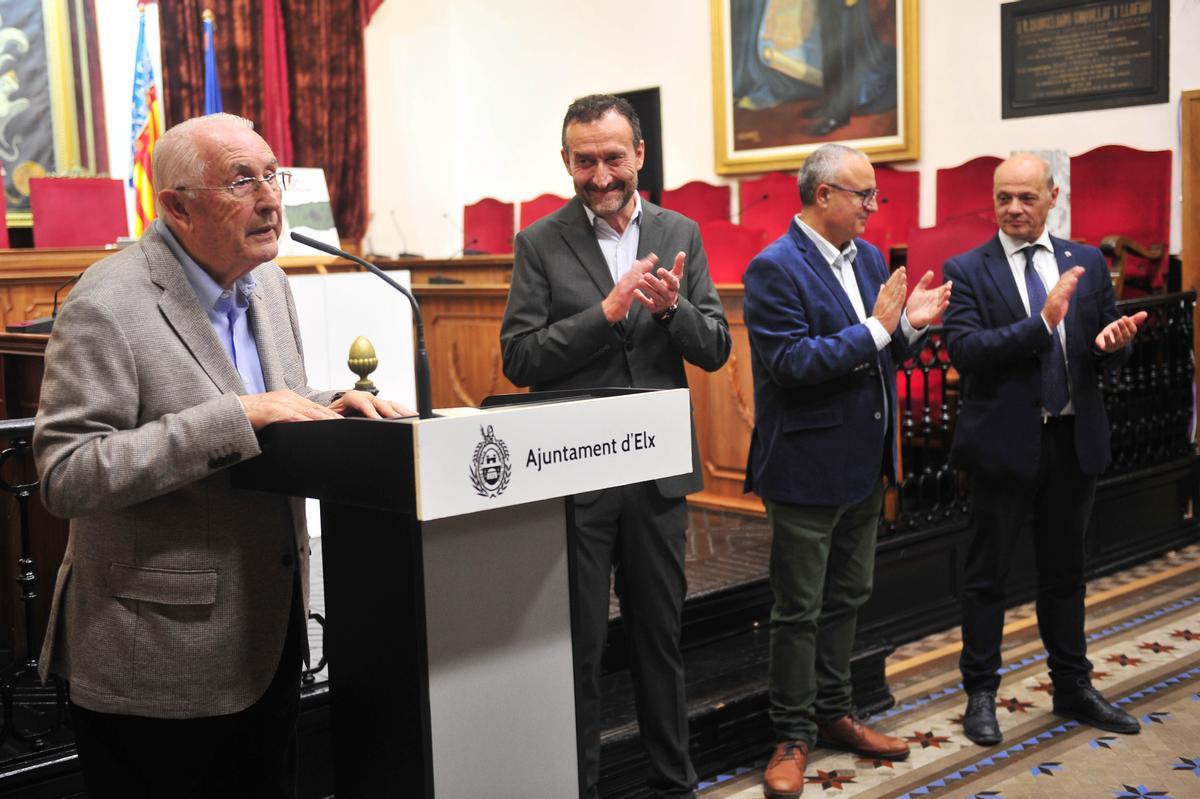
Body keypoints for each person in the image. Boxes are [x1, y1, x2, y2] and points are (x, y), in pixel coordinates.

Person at [34, 113, 412, 798]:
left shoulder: (268, 283)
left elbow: (269, 397)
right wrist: (234, 420)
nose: (270, 199)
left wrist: (329, 402)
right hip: (157, 658)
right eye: (242, 181)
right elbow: (68, 472)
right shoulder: (107, 303)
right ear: (177, 207)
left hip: (266, 639)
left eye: (272, 175)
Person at [500, 94, 731, 799]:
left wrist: (671, 308)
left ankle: (674, 782)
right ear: (566, 161)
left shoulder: (680, 230)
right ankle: (581, 786)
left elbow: (715, 347)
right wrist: (605, 314)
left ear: (639, 155)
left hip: (657, 474)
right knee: (580, 648)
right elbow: (519, 357)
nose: (599, 175)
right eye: (584, 161)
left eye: (612, 158)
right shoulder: (539, 242)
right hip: (577, 477)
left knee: (660, 638)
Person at [742, 143, 951, 799]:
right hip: (805, 467)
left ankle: (835, 712)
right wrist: (880, 329)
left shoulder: (865, 259)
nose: (873, 206)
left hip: (864, 464)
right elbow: (792, 365)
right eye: (864, 194)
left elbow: (879, 349)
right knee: (798, 609)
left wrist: (909, 328)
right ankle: (792, 734)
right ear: (823, 194)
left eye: (875, 195)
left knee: (848, 597)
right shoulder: (774, 268)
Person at [942, 152, 1146, 746]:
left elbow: (1104, 341)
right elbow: (965, 352)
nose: (1013, 209)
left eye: (1026, 198)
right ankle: (981, 694)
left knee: (1065, 574)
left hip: (1072, 441)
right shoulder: (968, 268)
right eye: (1003, 198)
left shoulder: (1087, 262)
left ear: (1052, 197)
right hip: (1003, 446)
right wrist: (1041, 323)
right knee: (987, 578)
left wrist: (1113, 344)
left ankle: (1072, 686)